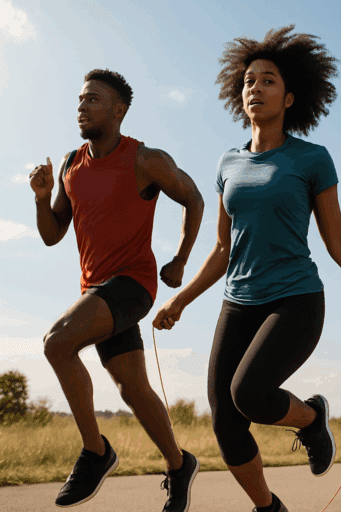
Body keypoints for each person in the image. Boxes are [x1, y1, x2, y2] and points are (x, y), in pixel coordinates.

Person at [152, 26, 341, 512]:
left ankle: (312, 419)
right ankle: (268, 508)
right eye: (249, 81)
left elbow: (338, 240)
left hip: (295, 300)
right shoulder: (228, 163)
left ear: (290, 98)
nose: (255, 88)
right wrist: (180, 300)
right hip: (238, 301)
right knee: (225, 421)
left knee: (249, 393)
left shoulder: (311, 159)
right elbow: (222, 247)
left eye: (268, 80)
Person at [28, 69, 205, 511]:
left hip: (133, 284)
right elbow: (52, 234)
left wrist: (181, 259)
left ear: (118, 111)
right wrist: (41, 198)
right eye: (80, 99)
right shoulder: (70, 164)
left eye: (93, 99)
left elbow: (194, 198)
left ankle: (96, 452)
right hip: (96, 290)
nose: (81, 106)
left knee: (56, 343)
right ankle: (179, 463)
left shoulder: (146, 159)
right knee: (133, 389)